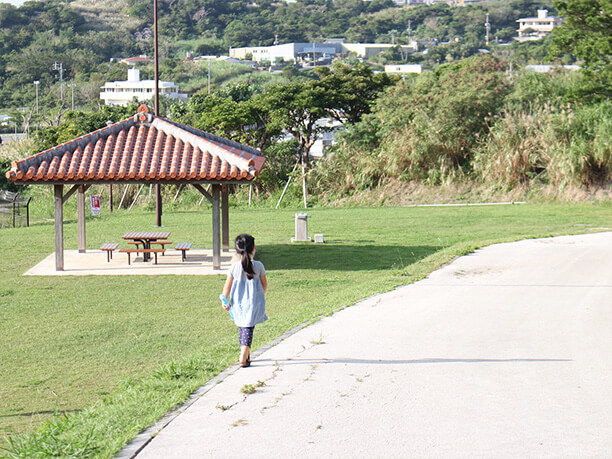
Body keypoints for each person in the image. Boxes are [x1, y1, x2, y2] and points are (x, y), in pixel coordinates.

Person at [221, 234, 267, 367]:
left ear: (237, 250)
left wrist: (224, 301)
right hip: (254, 303)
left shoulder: (234, 267)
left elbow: (227, 287)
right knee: (248, 327)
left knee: (243, 327)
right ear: (253, 249)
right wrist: (260, 296)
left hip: (237, 303)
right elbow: (264, 284)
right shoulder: (258, 265)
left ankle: (245, 356)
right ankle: (243, 355)